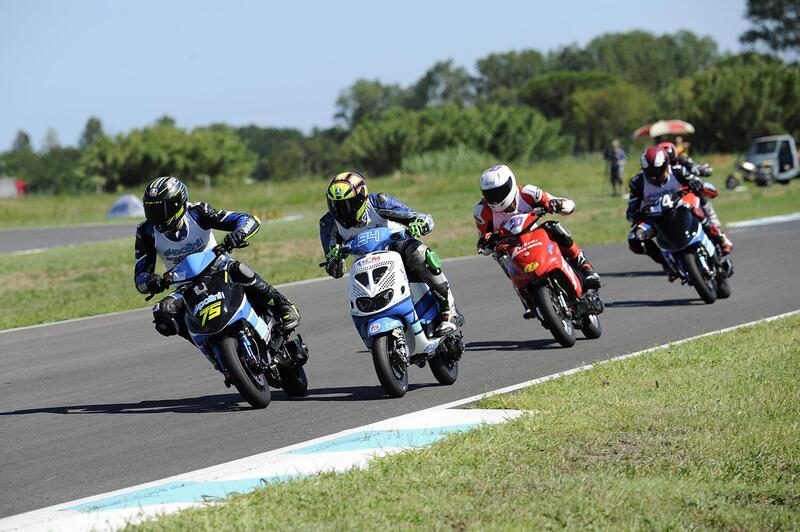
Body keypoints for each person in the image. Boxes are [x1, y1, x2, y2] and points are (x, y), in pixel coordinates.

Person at [134, 176, 301, 342]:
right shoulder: (146, 231)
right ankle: (207, 345)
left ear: (177, 204)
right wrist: (151, 281)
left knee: (239, 269)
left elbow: (248, 220)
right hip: (185, 286)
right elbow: (140, 277)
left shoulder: (197, 212)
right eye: (151, 210)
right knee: (163, 312)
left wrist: (238, 234)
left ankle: (284, 306)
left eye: (160, 210)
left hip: (220, 270)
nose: (155, 217)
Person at [319, 171, 460, 336]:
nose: (342, 211)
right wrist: (334, 261)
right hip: (364, 264)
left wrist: (419, 223)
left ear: (362, 198)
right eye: (336, 205)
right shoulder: (328, 223)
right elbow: (334, 268)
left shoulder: (378, 202)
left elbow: (417, 216)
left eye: (348, 204)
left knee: (420, 253)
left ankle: (447, 310)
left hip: (397, 247)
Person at [474, 165, 600, 316]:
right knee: (499, 255)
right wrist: (485, 243)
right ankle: (525, 297)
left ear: (511, 183)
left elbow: (564, 204)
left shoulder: (528, 192)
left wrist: (558, 205)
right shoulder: (481, 211)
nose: (496, 198)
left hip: (536, 235)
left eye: (500, 191)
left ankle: (585, 267)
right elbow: (483, 241)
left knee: (553, 227)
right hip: (511, 245)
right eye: (490, 194)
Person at [627, 147, 731, 279]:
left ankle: (718, 239)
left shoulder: (677, 171)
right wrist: (635, 215)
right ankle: (666, 264)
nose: (656, 176)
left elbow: (697, 182)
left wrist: (695, 182)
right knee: (634, 239)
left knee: (697, 206)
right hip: (655, 216)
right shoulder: (637, 182)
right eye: (651, 172)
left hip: (681, 206)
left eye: (659, 171)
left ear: (666, 165)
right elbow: (631, 209)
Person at [657, 142, 733, 253]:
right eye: (666, 164)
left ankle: (720, 235)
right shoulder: (655, 172)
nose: (669, 167)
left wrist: (698, 169)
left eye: (672, 162)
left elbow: (698, 168)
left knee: (701, 196)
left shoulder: (682, 160)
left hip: (687, 193)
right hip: (668, 201)